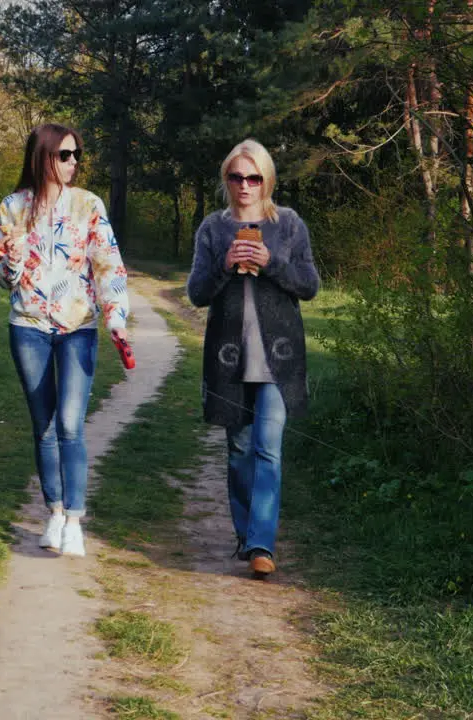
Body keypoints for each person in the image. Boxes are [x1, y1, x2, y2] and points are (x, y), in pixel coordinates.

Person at [0, 123, 131, 557]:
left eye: (76, 155)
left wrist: (117, 318)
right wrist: (11, 262)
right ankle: (53, 511)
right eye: (65, 155)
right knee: (45, 427)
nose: (73, 163)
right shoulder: (13, 208)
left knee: (71, 425)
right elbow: (1, 279)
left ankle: (75, 519)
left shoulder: (88, 205)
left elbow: (109, 265)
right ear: (43, 156)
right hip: (28, 327)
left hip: (78, 328)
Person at [186, 139, 319, 578]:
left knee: (268, 449)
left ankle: (262, 543)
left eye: (254, 177)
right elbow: (197, 293)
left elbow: (309, 285)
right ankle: (245, 536)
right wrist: (225, 262)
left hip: (279, 360)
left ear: (267, 179)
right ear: (227, 180)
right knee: (239, 450)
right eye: (236, 177)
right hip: (229, 360)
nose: (245, 185)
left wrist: (272, 261)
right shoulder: (213, 228)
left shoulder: (290, 225)